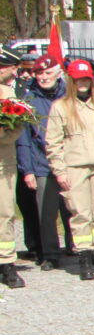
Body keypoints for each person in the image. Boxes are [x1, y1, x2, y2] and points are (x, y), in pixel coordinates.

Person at [43, 59, 94, 280]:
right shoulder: (61, 107)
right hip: (74, 167)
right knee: (81, 214)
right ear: (71, 81)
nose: (82, 83)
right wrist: (60, 171)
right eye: (78, 79)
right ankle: (84, 259)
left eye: (86, 79)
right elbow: (53, 143)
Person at [17, 58, 75, 269]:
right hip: (42, 163)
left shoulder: (70, 96)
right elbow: (24, 139)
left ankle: (77, 247)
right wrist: (27, 170)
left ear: (58, 73)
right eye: (39, 73)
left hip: (70, 161)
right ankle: (50, 254)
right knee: (46, 213)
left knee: (73, 209)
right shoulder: (29, 99)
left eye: (48, 73)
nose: (43, 77)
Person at [0, 48, 25, 287]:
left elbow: (18, 127)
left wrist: (2, 135)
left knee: (4, 214)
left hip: (2, 163)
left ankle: (6, 263)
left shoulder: (8, 94)